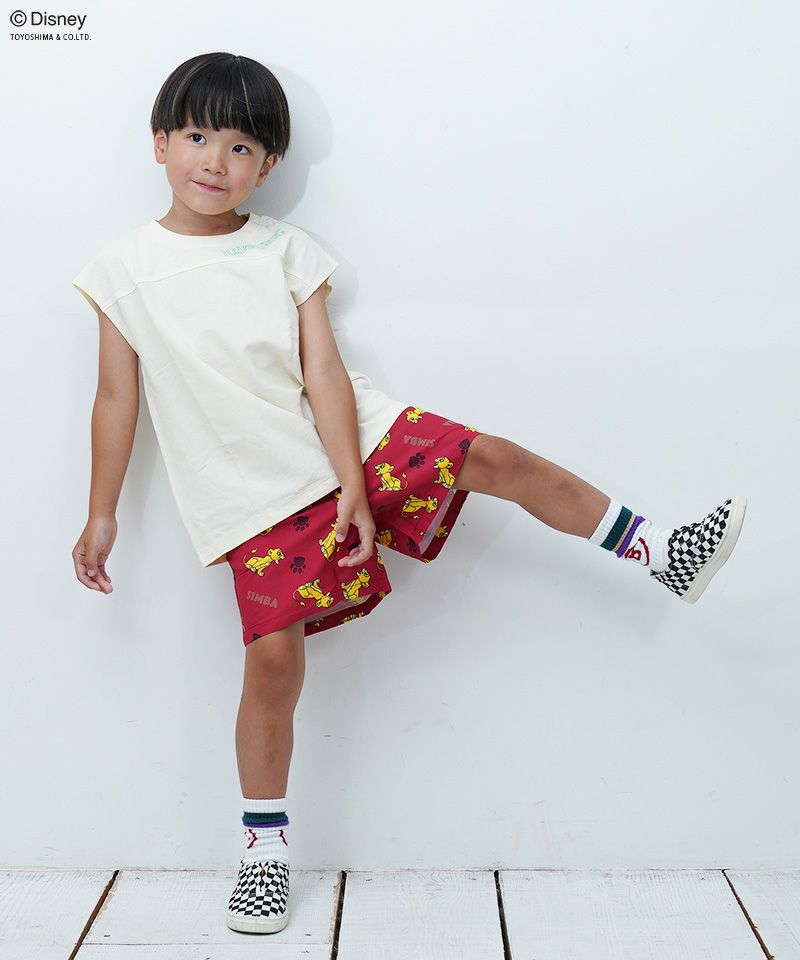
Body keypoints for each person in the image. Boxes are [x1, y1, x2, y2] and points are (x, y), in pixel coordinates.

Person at [70, 51, 747, 935]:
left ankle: (662, 551)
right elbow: (115, 398)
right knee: (272, 664)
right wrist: (101, 512)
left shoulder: (284, 250)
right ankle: (264, 852)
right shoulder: (122, 271)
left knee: (496, 457)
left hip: (351, 438)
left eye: (240, 147)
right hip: (249, 489)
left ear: (267, 167)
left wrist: (353, 479)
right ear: (160, 142)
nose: (214, 160)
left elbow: (322, 371)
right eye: (197, 136)